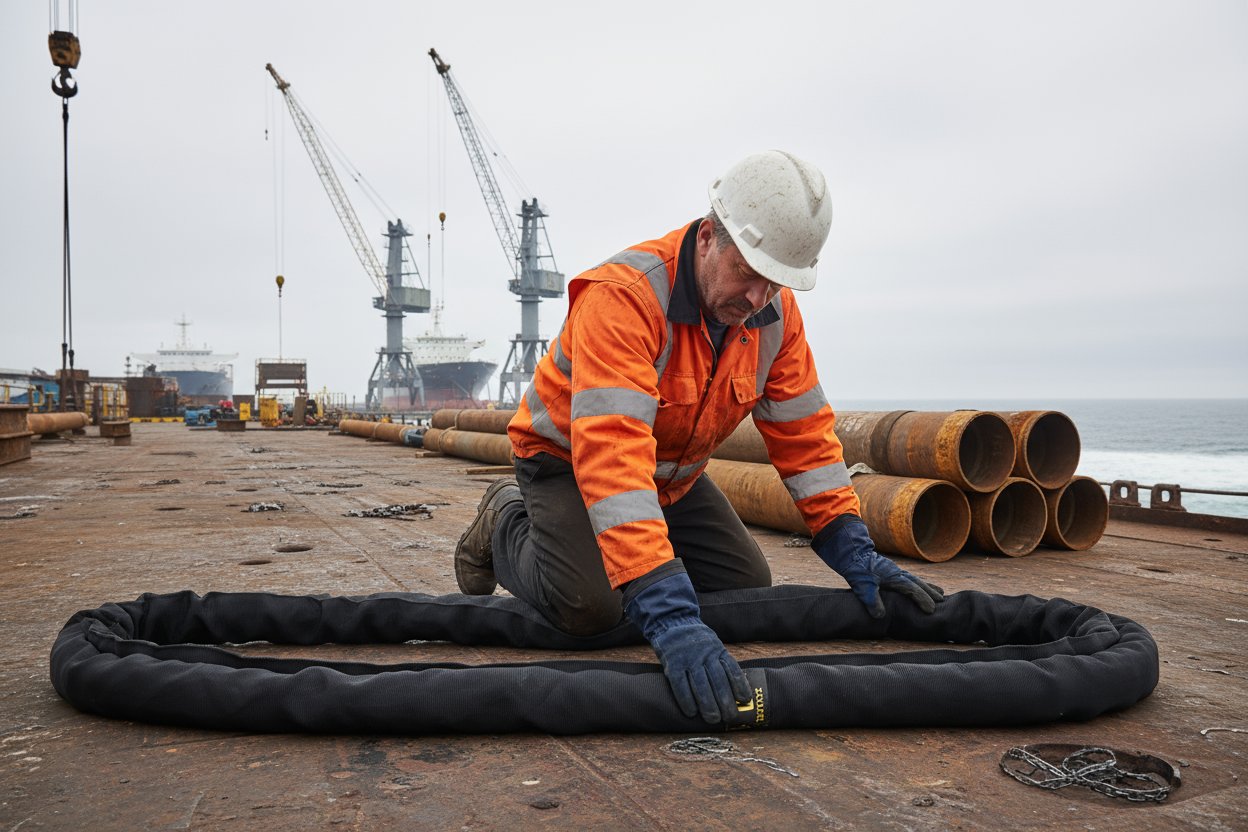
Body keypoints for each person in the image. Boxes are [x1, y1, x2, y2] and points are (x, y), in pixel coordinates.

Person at [454, 150, 944, 724]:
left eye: (777, 283)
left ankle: (635, 568)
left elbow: (804, 434)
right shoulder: (626, 298)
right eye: (751, 275)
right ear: (709, 236)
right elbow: (612, 460)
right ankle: (505, 519)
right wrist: (668, 615)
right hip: (567, 463)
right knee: (589, 608)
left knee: (745, 587)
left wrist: (851, 545)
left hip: (671, 479)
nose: (759, 299)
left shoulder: (771, 315)